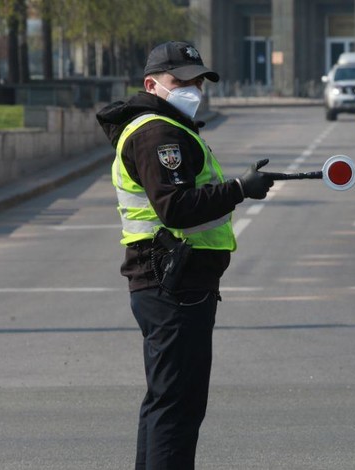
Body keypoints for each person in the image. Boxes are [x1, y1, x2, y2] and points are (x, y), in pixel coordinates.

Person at [96, 41, 274, 470]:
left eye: (198, 81)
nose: (193, 89)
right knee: (178, 406)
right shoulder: (158, 132)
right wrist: (238, 189)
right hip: (172, 284)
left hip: (171, 282)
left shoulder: (168, 127)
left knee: (167, 401)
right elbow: (175, 207)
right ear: (152, 84)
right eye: (182, 81)